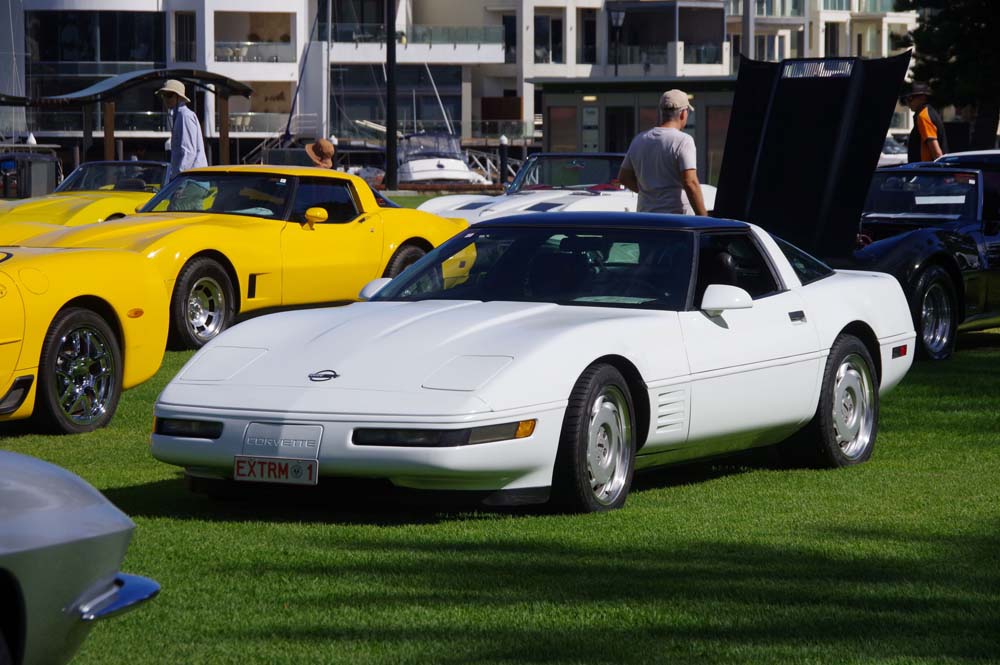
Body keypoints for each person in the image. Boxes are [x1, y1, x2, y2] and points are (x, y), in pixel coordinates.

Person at [618, 89, 707, 216]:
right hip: (676, 219)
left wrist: (651, 196)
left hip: (646, 217)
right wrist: (704, 218)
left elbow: (624, 177)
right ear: (683, 113)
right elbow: (690, 183)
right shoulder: (683, 140)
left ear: (661, 112)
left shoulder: (639, 139)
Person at [156, 79, 207, 181]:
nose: (165, 99)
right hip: (190, 178)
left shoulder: (185, 116)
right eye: (163, 95)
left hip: (192, 180)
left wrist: (179, 180)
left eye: (169, 95)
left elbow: (188, 152)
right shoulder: (179, 115)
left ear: (178, 97)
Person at [903, 82, 948, 163]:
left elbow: (937, 153)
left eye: (910, 98)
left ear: (922, 98)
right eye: (906, 99)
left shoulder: (923, 116)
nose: (907, 103)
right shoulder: (929, 112)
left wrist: (938, 169)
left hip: (926, 169)